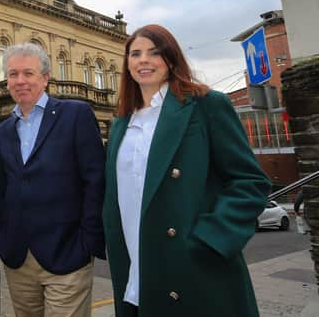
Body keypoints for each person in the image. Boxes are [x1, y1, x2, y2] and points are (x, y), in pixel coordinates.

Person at [103, 24, 271, 317]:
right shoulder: (121, 124)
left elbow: (250, 181)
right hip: (136, 267)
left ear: (170, 58)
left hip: (194, 267)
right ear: (127, 63)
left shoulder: (206, 105)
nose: (143, 60)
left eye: (154, 53)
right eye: (135, 54)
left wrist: (210, 239)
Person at [0, 43, 106, 316]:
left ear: (45, 78)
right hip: (19, 259)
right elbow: (1, 190)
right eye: (13, 74)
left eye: (28, 73)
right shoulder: (3, 131)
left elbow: (95, 181)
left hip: (68, 253)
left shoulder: (75, 115)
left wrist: (87, 242)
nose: (20, 81)